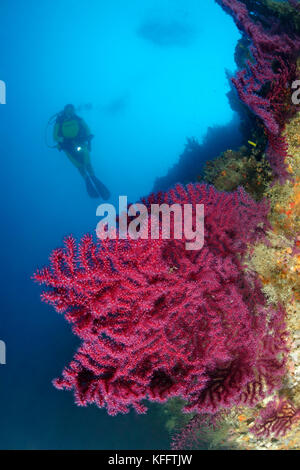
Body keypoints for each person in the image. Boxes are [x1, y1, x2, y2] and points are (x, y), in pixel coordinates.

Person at [53, 104, 110, 199]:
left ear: (74, 110)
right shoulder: (59, 121)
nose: (70, 112)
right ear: (65, 111)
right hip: (68, 148)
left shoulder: (78, 119)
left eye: (72, 110)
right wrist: (65, 141)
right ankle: (86, 179)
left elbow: (87, 130)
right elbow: (55, 137)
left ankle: (93, 177)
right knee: (79, 165)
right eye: (68, 110)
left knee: (87, 163)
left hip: (80, 143)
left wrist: (87, 139)